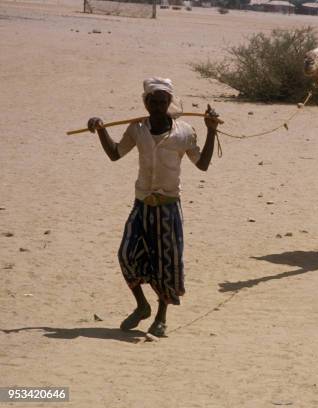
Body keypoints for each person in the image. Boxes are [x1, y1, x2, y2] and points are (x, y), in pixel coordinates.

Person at [87, 77, 220, 337]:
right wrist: (101, 129)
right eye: (153, 101)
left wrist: (211, 130)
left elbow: (202, 164)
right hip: (142, 204)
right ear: (146, 102)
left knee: (165, 264)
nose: (158, 106)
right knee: (126, 254)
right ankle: (142, 305)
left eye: (163, 101)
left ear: (169, 102)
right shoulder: (137, 129)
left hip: (168, 207)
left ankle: (161, 317)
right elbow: (115, 153)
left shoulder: (184, 132)